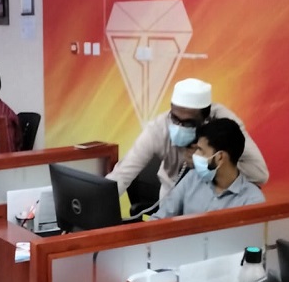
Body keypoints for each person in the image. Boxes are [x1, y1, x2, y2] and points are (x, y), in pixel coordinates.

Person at [106, 77, 268, 202]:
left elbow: (260, 173)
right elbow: (122, 175)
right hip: (170, 200)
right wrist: (100, 205)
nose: (179, 126)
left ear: (206, 119)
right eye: (175, 118)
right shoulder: (159, 128)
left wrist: (208, 166)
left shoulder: (226, 127)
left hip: (217, 202)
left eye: (188, 123)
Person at [151, 118, 265, 219]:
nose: (195, 154)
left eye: (201, 150)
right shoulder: (192, 178)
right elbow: (160, 218)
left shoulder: (251, 200)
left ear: (220, 157)